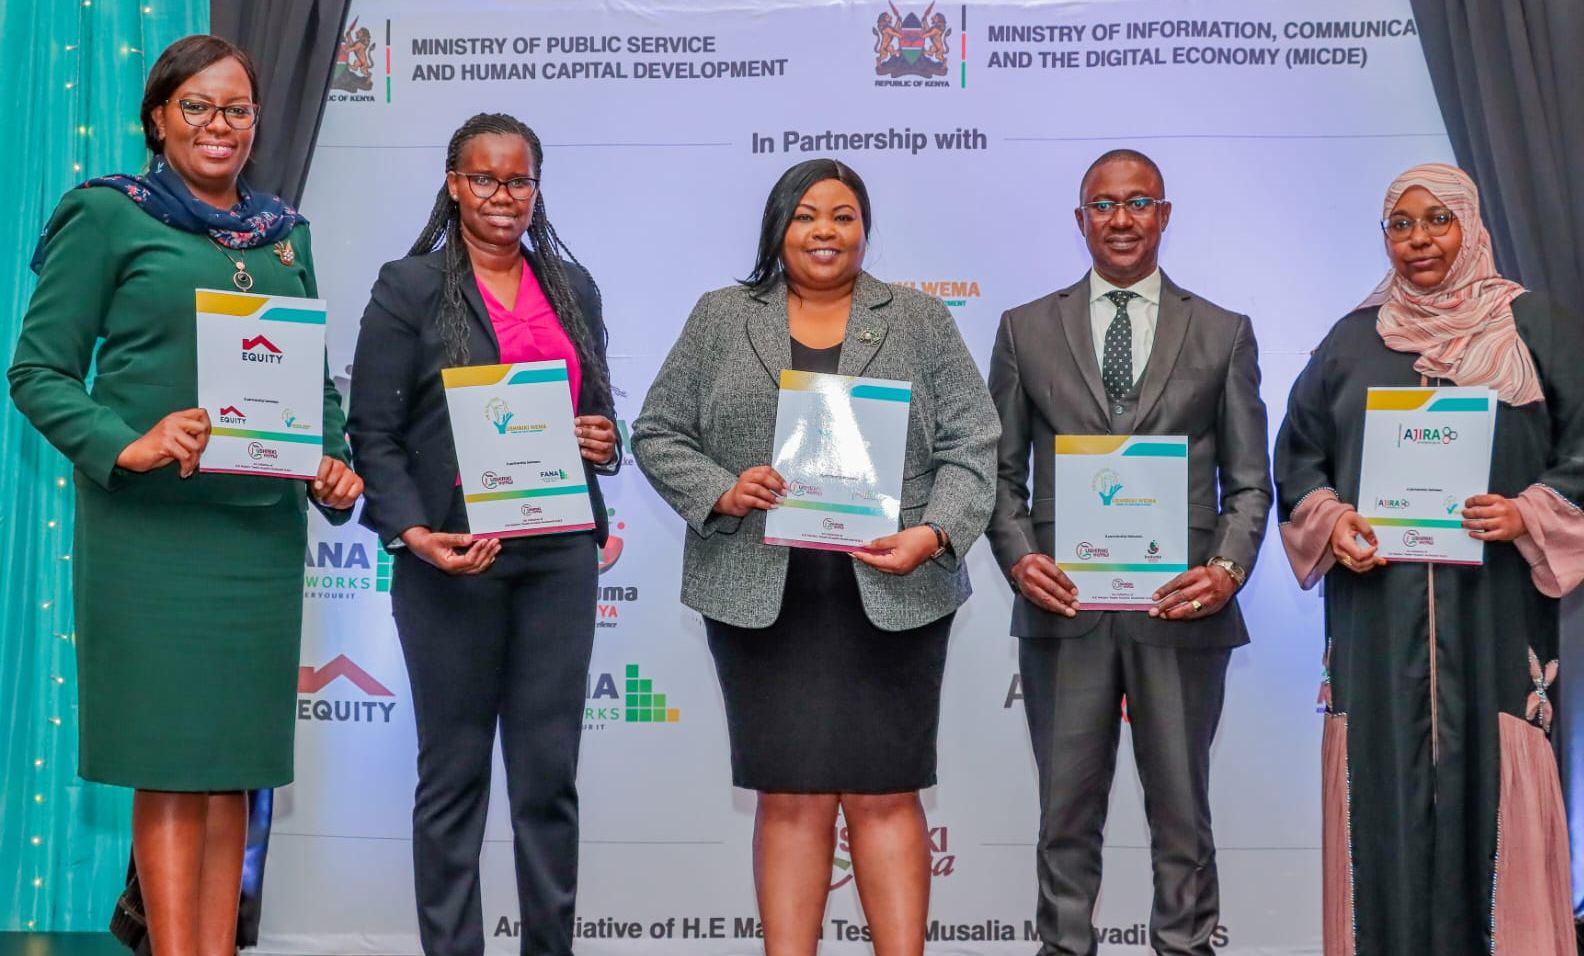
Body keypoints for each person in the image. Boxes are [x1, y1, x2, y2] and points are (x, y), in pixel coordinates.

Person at [8, 34, 361, 956]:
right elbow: (37, 371)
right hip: (152, 539)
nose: (219, 124)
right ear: (158, 118)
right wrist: (127, 443)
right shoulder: (106, 215)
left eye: (237, 109)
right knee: (169, 763)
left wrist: (333, 462)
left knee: (233, 767)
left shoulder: (284, 234)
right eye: (197, 106)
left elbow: (313, 382)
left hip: (257, 539)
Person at [630, 158, 998, 956]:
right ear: (778, 229)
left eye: (842, 216)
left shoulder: (921, 319)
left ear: (865, 229)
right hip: (763, 597)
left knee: (885, 794)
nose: (824, 231)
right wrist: (724, 490)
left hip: (893, 590)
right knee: (789, 797)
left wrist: (934, 533)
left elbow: (975, 443)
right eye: (805, 215)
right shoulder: (721, 317)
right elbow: (657, 432)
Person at [1273, 163, 1580, 955]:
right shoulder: (1351, 341)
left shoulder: (1534, 328)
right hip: (1378, 619)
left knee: (1494, 785)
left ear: (1471, 226)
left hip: (1497, 613)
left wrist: (1527, 510)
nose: (1419, 240)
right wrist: (1334, 522)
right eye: (1401, 224)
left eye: (1438, 220)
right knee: (1382, 794)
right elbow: (1299, 459)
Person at [346, 112, 619, 956]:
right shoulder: (410, 286)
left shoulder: (573, 287)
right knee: (453, 778)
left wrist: (604, 438)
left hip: (557, 558)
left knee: (548, 781)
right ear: (455, 184)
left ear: (537, 188)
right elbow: (373, 431)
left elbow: (598, 414)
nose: (504, 195)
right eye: (486, 178)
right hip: (452, 560)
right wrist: (413, 533)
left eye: (519, 180)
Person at [986, 148, 1270, 956]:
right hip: (1064, 607)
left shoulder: (1222, 331)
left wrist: (1225, 570)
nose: (1121, 219)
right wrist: (1019, 557)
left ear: (1164, 215)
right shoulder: (1024, 328)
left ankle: (1186, 946)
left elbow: (1251, 483)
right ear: (1080, 220)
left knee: (1182, 815)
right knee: (1064, 816)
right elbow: (996, 473)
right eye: (1104, 205)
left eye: (1138, 202)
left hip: (1180, 609)